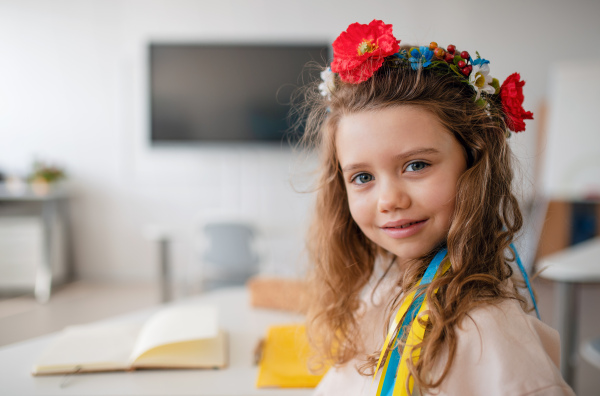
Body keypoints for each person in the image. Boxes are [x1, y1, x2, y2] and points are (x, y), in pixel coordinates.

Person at [298, 20, 575, 396]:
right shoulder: (385, 288)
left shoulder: (488, 330)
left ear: (475, 162)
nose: (389, 199)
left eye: (416, 165)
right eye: (363, 177)